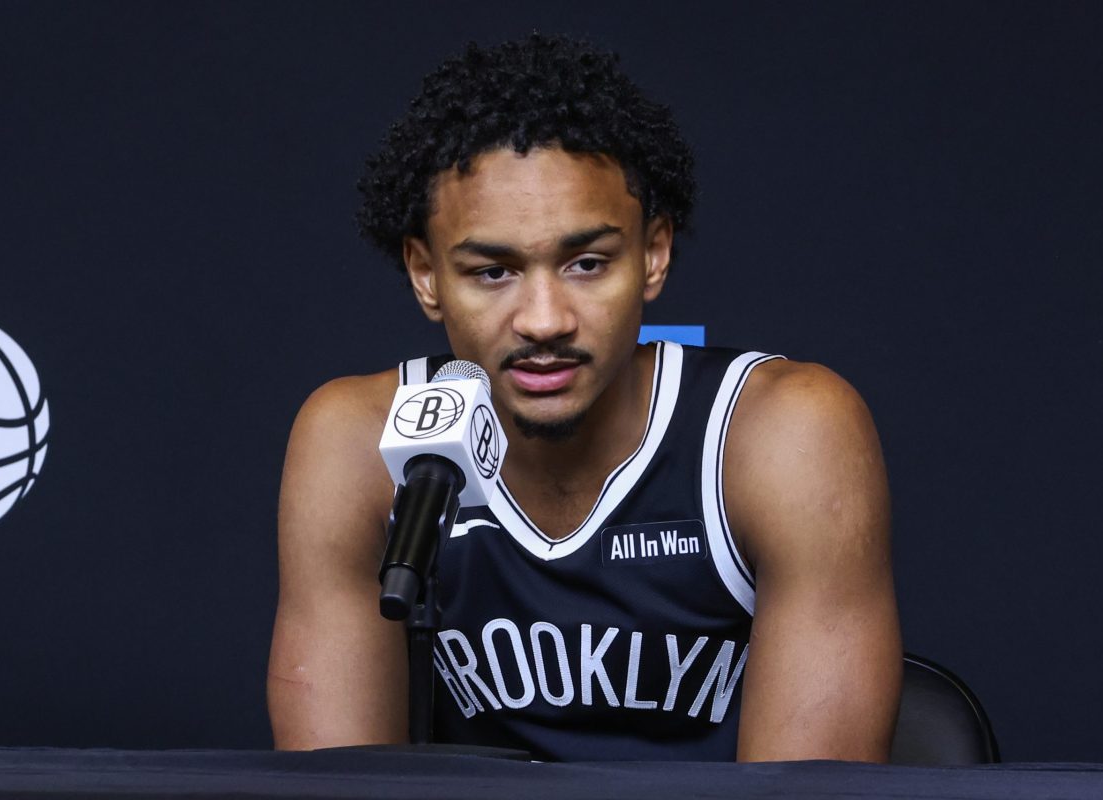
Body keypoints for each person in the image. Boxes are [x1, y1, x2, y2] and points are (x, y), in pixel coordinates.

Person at [267, 33, 901, 762]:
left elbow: (809, 794)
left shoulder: (778, 433)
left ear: (654, 254)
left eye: (588, 263)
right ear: (425, 274)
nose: (544, 320)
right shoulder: (360, 445)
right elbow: (337, 783)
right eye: (492, 272)